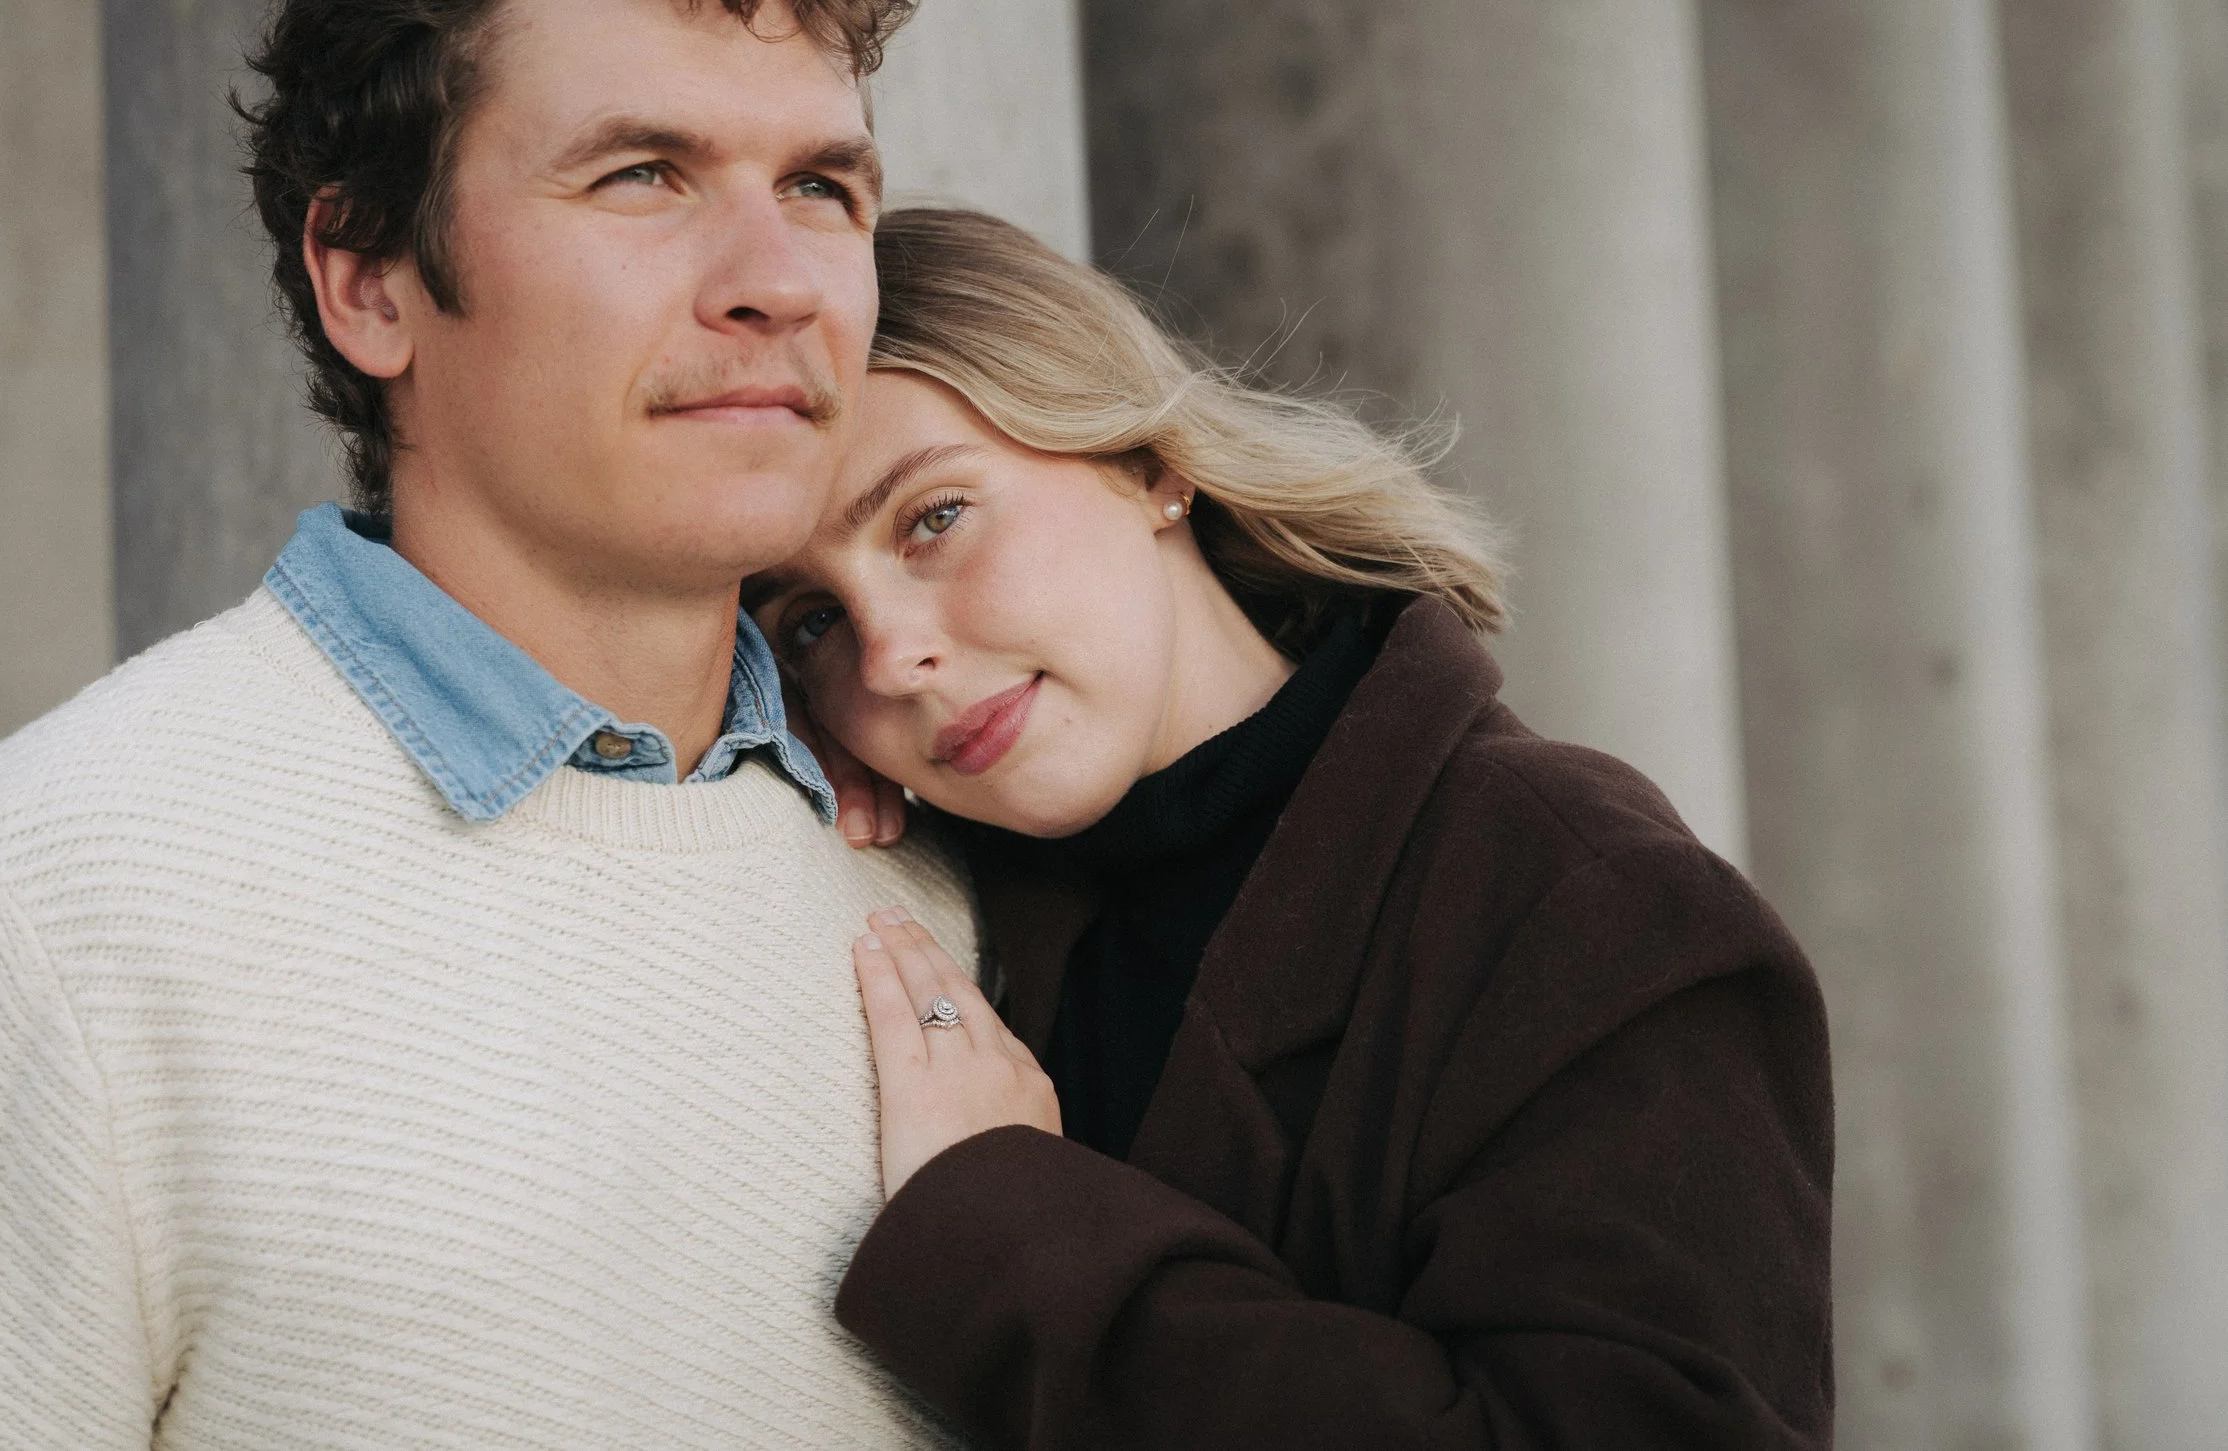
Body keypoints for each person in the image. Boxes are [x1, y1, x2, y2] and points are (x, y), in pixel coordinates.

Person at [0, 0, 974, 1447]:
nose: (778, 278)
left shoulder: (952, 859)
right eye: (641, 173)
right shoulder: (47, 915)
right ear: (369, 277)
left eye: (821, 185)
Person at [746, 207, 1836, 1449]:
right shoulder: (944, 883)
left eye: (933, 517)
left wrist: (1016, 1228)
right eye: (809, 624)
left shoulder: (1591, 909)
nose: (893, 658)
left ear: (1148, 462)